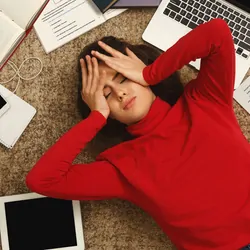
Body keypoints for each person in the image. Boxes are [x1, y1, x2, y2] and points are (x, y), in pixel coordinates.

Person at [26, 19, 250, 250]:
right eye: (106, 95)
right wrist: (96, 116)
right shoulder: (121, 167)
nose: (120, 93)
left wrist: (150, 73)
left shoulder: (203, 99)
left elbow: (217, 32)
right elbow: (42, 180)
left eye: (123, 78)